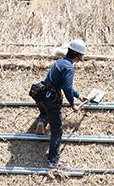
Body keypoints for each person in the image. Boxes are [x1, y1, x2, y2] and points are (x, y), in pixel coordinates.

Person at [32, 39, 88, 168]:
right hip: (52, 100)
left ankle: (42, 122)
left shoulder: (59, 62)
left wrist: (79, 96)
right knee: (57, 130)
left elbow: (61, 84)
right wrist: (72, 104)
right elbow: (67, 87)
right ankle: (54, 161)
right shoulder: (69, 68)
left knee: (45, 111)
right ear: (77, 55)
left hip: (41, 95)